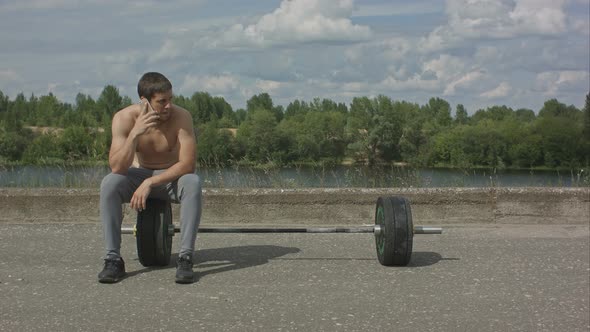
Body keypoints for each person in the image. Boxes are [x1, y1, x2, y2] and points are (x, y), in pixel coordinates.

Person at [98, 72, 202, 284]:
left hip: (172, 178)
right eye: (161, 101)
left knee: (193, 182)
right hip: (138, 174)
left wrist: (150, 182)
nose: (168, 106)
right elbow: (117, 167)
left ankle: (185, 257)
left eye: (170, 99)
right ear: (144, 101)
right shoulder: (123, 118)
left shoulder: (182, 117)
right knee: (109, 182)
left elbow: (188, 165)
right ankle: (113, 260)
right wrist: (135, 134)